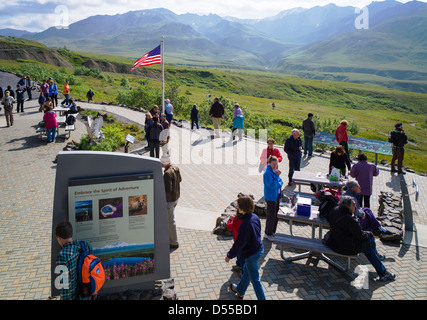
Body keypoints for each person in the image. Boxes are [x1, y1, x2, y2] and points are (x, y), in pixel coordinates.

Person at [325, 196, 396, 282]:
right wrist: (369, 233)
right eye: (353, 204)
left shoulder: (335, 210)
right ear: (348, 207)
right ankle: (383, 273)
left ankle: (379, 263)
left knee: (369, 243)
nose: (355, 206)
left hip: (333, 241)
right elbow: (360, 236)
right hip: (343, 247)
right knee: (369, 246)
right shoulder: (350, 220)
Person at [226, 196, 266, 300]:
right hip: (259, 249)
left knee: (255, 280)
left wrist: (229, 255)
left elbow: (239, 244)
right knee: (247, 271)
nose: (237, 208)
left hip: (251, 254)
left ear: (242, 208)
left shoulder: (245, 224)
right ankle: (240, 290)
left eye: (239, 206)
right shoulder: (255, 217)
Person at [55, 221, 94, 300]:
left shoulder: (62, 256)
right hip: (86, 292)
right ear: (71, 233)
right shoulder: (84, 245)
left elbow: (64, 286)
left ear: (59, 238)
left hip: (73, 297)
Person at [162, 156, 182, 249]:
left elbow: (167, 189)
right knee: (169, 219)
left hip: (169, 201)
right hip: (176, 197)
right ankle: (170, 237)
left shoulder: (167, 174)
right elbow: (180, 180)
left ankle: (173, 242)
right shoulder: (175, 168)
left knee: (170, 221)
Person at [263, 156, 283, 241]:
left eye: (276, 164)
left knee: (275, 215)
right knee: (271, 216)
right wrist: (277, 178)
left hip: (276, 196)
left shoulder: (274, 171)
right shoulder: (267, 173)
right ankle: (268, 233)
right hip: (271, 197)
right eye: (273, 164)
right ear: (269, 163)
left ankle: (273, 231)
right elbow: (272, 185)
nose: (275, 166)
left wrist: (278, 179)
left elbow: (281, 182)